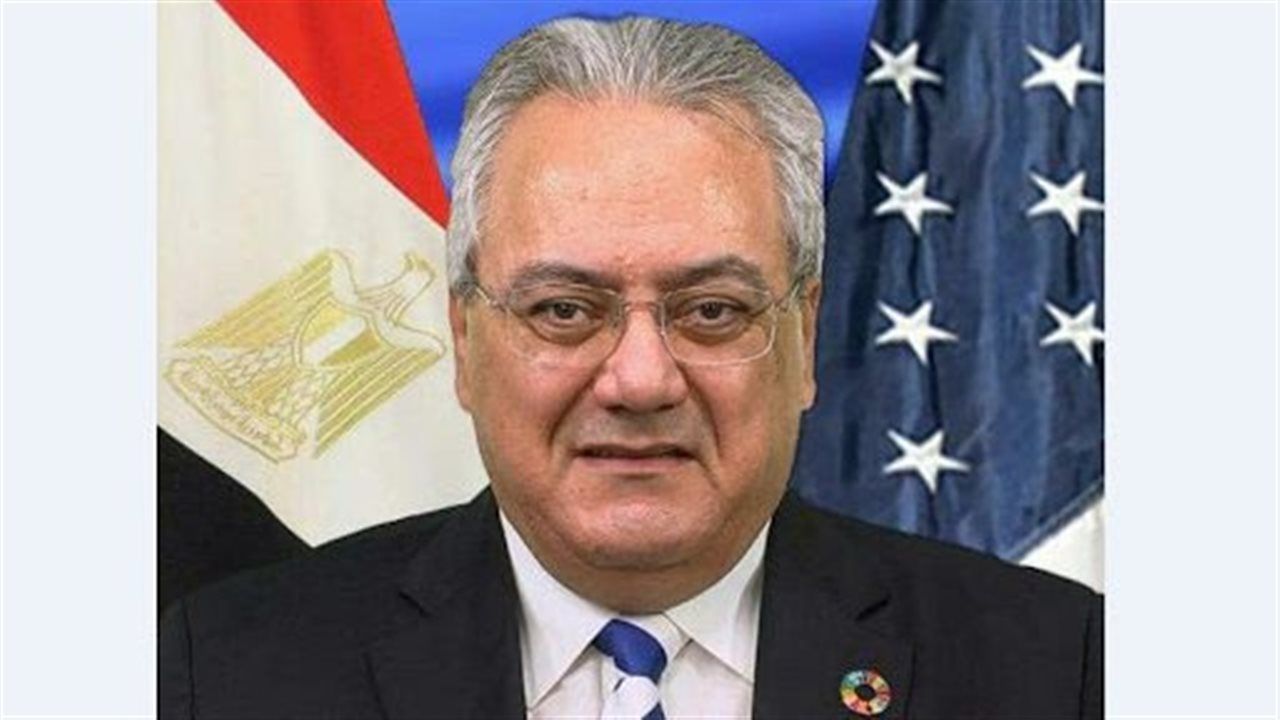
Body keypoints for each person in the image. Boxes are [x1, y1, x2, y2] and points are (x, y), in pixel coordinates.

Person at [160, 15, 1101, 719]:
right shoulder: (226, 675)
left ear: (805, 336)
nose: (641, 380)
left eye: (713, 311)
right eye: (564, 311)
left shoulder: (1060, 672)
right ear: (465, 340)